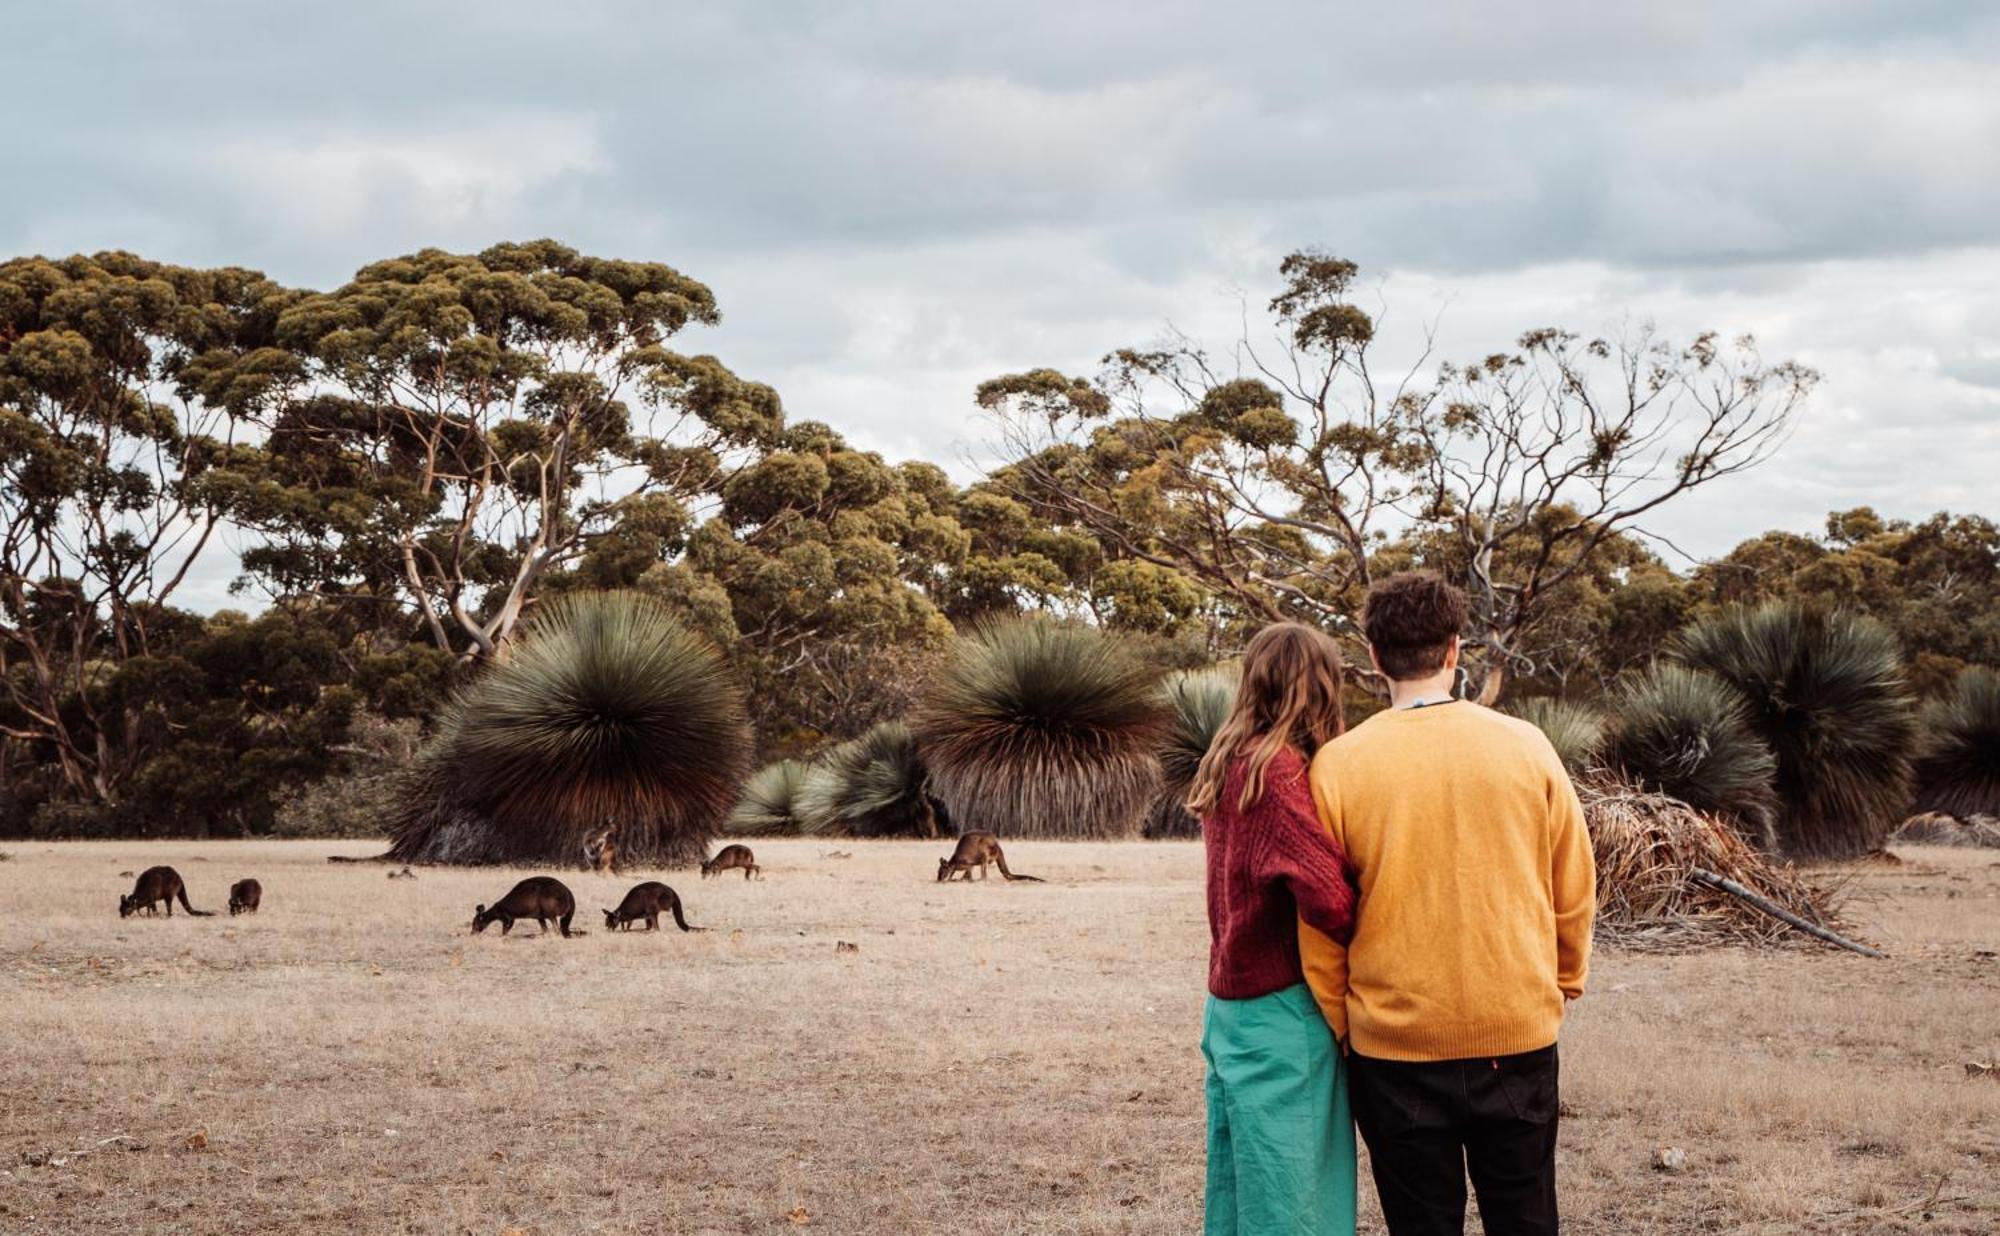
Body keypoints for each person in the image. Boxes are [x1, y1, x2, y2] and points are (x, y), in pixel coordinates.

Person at [1300, 571, 1595, 1236]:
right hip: (1515, 1029)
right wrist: (1563, 981)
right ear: (1456, 650)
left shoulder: (1339, 766)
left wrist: (1347, 1023)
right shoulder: (1526, 746)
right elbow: (1573, 882)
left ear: (1373, 656)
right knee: (1526, 1220)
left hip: (1393, 1049)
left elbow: (1318, 918)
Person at [1188, 621, 1360, 1236]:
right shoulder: (1278, 771)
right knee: (1295, 1197)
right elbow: (1328, 896)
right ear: (1317, 689)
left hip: (1228, 1006)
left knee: (1240, 1187)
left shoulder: (1228, 758)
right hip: (1281, 1008)